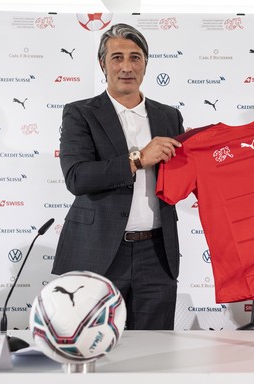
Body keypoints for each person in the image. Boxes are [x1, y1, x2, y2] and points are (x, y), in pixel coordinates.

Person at [53, 23, 184, 330]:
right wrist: (138, 159)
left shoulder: (169, 116)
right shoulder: (80, 113)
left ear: (146, 64)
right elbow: (77, 177)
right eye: (117, 57)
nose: (127, 67)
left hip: (157, 254)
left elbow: (192, 170)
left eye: (135, 57)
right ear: (103, 64)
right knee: (91, 347)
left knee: (153, 353)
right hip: (98, 252)